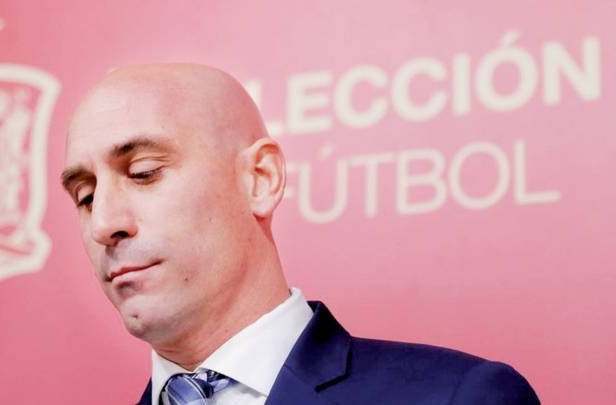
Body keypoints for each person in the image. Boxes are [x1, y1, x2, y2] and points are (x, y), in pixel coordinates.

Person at [61, 63, 540, 405]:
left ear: (260, 179)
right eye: (85, 196)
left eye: (143, 173)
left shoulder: (458, 397)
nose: (103, 223)